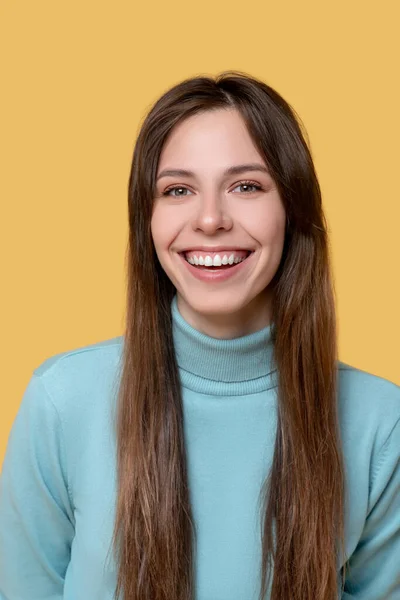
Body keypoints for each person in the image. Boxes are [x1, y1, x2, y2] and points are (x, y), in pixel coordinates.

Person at [0, 71, 399, 600]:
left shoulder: (380, 424)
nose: (210, 219)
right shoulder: (62, 401)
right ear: (148, 219)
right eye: (178, 190)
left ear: (292, 211)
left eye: (247, 186)